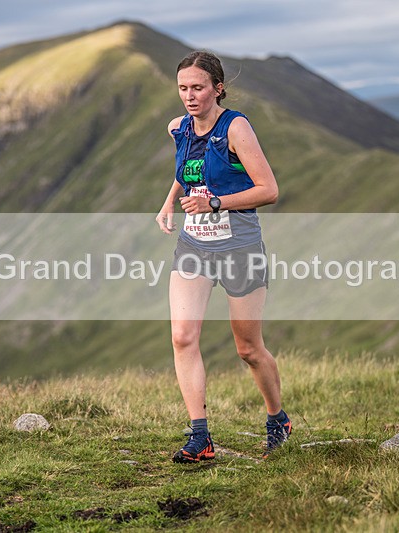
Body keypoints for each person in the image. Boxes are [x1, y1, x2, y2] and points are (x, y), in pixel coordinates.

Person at [155, 51, 292, 463]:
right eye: (183, 88)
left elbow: (268, 189)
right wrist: (168, 203)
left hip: (240, 247)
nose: (190, 96)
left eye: (198, 88)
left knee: (248, 349)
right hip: (194, 247)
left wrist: (216, 203)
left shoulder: (237, 128)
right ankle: (201, 437)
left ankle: (277, 419)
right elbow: (186, 171)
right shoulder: (178, 128)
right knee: (182, 336)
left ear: (217, 87)